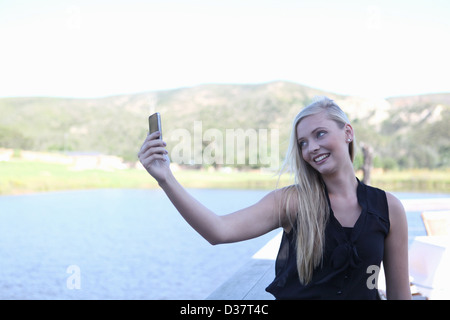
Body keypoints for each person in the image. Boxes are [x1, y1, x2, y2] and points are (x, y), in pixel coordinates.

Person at [138, 96, 412, 300]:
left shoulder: (388, 208)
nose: (312, 147)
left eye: (320, 134)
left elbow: (400, 296)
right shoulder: (292, 202)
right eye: (303, 143)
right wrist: (166, 179)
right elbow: (218, 230)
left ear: (348, 133)